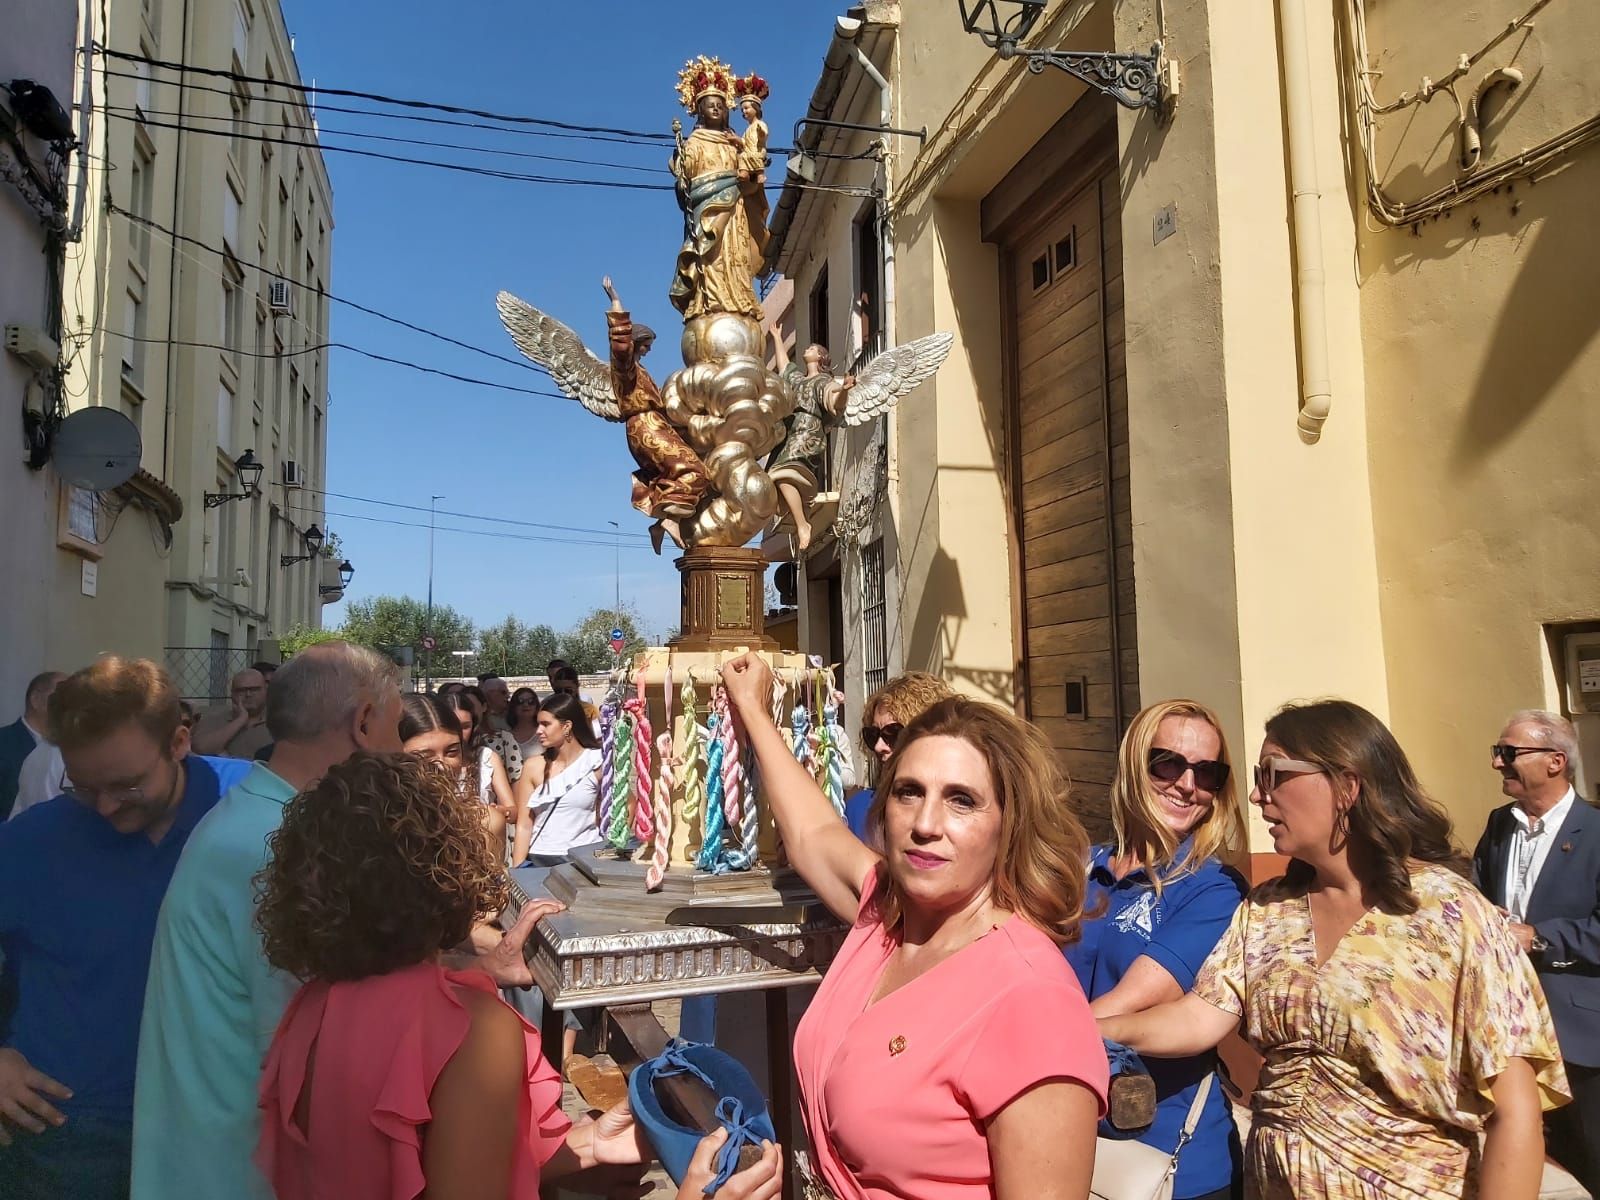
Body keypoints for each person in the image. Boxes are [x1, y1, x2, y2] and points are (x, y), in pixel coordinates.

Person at [253, 752, 783, 1200]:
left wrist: (588, 1143)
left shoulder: (312, 1007)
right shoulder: (468, 1029)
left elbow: (434, 1164)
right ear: (445, 868)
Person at [1099, 699, 1568, 1200]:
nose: (1257, 795)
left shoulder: (1452, 915)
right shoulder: (1267, 911)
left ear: (1347, 786)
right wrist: (1087, 1029)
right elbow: (1197, 1018)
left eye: (1274, 774)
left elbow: (1515, 1111)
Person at [721, 651, 1107, 1200]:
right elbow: (813, 835)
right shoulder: (887, 915)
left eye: (962, 801)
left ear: (1009, 825)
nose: (927, 824)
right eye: (909, 792)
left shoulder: (1031, 998)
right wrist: (754, 711)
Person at [130, 642, 406, 1199]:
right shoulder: (276, 844)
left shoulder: (263, 819)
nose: (400, 750)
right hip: (238, 1172)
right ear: (364, 723)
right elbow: (321, 1048)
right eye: (396, 729)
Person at [0, 657, 250, 1198]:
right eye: (85, 787)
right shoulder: (32, 841)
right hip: (64, 1145)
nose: (107, 806)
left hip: (219, 1139)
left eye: (128, 786)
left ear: (180, 742)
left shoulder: (250, 816)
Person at [1066, 700, 1247, 1200]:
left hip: (1167, 1159)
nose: (1187, 785)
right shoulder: (1080, 868)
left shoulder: (1213, 887)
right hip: (1064, 1138)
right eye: (1167, 763)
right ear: (1133, 765)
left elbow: (1132, 1000)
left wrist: (1034, 1050)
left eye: (1207, 772)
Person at [1474, 710, 1600, 1195]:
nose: (1497, 763)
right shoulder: (1499, 825)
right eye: (1497, 751)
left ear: (1555, 761)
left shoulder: (1595, 831)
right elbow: (1479, 899)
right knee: (1531, 1161)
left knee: (1590, 1156)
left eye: (1508, 753)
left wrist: (1538, 937)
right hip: (1511, 1031)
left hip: (1580, 1038)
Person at [845, 671, 956, 840]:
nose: (878, 746)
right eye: (873, 734)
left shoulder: (961, 813)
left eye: (893, 734)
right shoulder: (858, 810)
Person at [400, 693, 506, 859]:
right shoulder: (369, 824)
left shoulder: (485, 824)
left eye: (452, 752)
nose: (441, 765)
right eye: (424, 756)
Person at [523, 691, 604, 870]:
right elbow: (524, 825)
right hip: (539, 858)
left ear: (566, 726)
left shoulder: (597, 761)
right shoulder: (533, 766)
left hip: (583, 858)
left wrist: (609, 847)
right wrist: (516, 872)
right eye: (538, 724)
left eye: (545, 724)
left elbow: (627, 804)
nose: (538, 731)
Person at [443, 690, 518, 834]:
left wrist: (502, 812)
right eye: (452, 726)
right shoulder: (430, 758)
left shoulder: (486, 757)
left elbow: (513, 810)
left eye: (465, 726)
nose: (459, 732)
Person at [1, 671, 63, 821]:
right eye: (63, 695)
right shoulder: (3, 741)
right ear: (35, 700)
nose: (71, 704)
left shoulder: (71, 750)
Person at [192, 668, 273, 759]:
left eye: (254, 689)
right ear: (232, 694)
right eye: (241, 690)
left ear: (266, 691)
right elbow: (200, 749)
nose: (248, 694)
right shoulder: (213, 720)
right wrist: (240, 720)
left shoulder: (279, 721)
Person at [506, 686, 544, 762]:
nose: (526, 705)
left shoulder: (544, 733)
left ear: (536, 706)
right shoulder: (504, 736)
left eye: (531, 701)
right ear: (513, 706)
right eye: (520, 701)